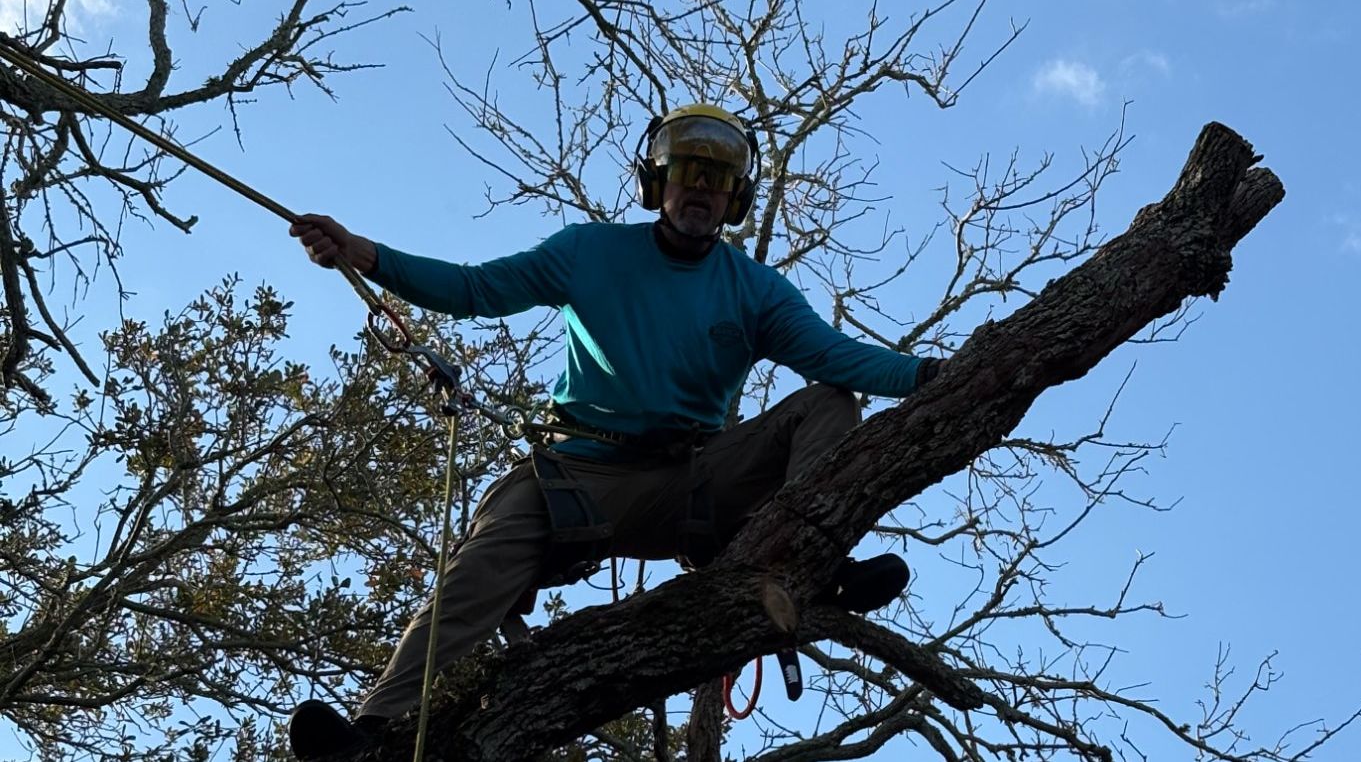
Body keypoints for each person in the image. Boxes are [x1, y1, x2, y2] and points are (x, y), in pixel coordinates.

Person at [284, 104, 942, 757]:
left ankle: (810, 562)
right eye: (689, 174)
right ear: (658, 182)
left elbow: (840, 359)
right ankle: (369, 734)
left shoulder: (755, 291)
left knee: (829, 401)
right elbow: (474, 289)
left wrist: (936, 374)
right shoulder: (589, 253)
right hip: (577, 474)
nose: (701, 194)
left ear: (734, 200)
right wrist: (363, 253)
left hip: (692, 480)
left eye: (718, 183)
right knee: (476, 567)